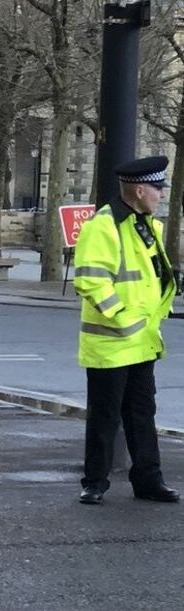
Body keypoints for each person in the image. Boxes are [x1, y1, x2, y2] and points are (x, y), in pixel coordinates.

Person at [75, 156, 179, 506]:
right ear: (139, 190)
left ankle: (149, 480)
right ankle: (94, 482)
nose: (162, 194)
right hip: (112, 342)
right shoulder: (104, 226)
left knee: (141, 414)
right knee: (105, 416)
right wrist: (124, 319)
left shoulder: (144, 224)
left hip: (141, 341)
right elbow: (90, 279)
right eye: (158, 188)